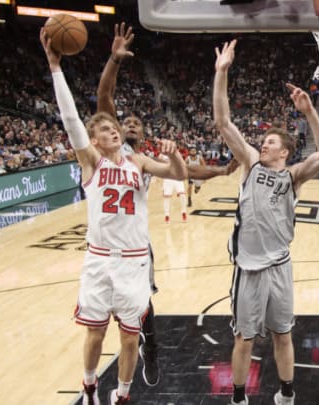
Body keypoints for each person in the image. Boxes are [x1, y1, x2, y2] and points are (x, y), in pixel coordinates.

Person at [41, 29, 188, 405]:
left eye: (114, 126)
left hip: (135, 261)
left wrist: (171, 154)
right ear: (94, 140)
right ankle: (89, 385)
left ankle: (122, 395)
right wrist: (55, 66)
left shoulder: (138, 160)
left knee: (128, 336)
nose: (113, 129)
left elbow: (178, 174)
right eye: (105, 129)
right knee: (94, 333)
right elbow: (71, 118)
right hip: (100, 260)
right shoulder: (90, 161)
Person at [96, 23, 239, 388]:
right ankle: (92, 378)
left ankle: (152, 346)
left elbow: (187, 171)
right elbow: (104, 98)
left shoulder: (143, 160)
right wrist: (114, 59)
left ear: (141, 134)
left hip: (135, 244)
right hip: (100, 248)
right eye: (122, 121)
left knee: (144, 303)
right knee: (102, 317)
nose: (126, 124)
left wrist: (221, 170)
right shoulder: (110, 148)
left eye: (134, 123)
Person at [214, 40, 319, 405]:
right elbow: (222, 121)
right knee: (244, 339)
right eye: (262, 142)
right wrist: (222, 72)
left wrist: (310, 112)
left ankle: (286, 394)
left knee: (283, 335)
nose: (261, 145)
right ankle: (238, 397)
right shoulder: (250, 163)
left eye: (268, 142)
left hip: (280, 266)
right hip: (248, 268)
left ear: (283, 151)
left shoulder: (293, 175)